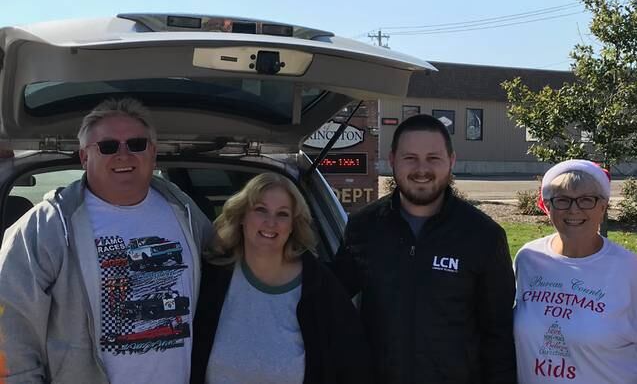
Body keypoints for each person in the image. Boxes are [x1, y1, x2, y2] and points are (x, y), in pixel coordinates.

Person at [0, 98, 214, 384]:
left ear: (153, 152)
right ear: (84, 157)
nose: (123, 155)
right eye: (108, 147)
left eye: (136, 144)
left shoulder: (184, 211)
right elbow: (11, 322)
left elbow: (227, 275)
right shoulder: (47, 225)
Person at [333, 114, 517, 384]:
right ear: (393, 159)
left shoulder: (483, 236)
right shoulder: (364, 228)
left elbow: (499, 336)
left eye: (433, 158)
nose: (422, 169)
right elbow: (329, 298)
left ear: (451, 161)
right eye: (410, 158)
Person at [191, 172, 371, 384]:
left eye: (282, 214)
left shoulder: (320, 286)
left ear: (293, 224)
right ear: (241, 217)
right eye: (260, 210)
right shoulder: (209, 279)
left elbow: (353, 367)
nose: (271, 222)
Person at [514, 159, 637, 384]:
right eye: (562, 200)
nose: (574, 209)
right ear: (547, 206)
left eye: (586, 200)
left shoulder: (631, 271)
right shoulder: (528, 259)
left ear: (603, 205)